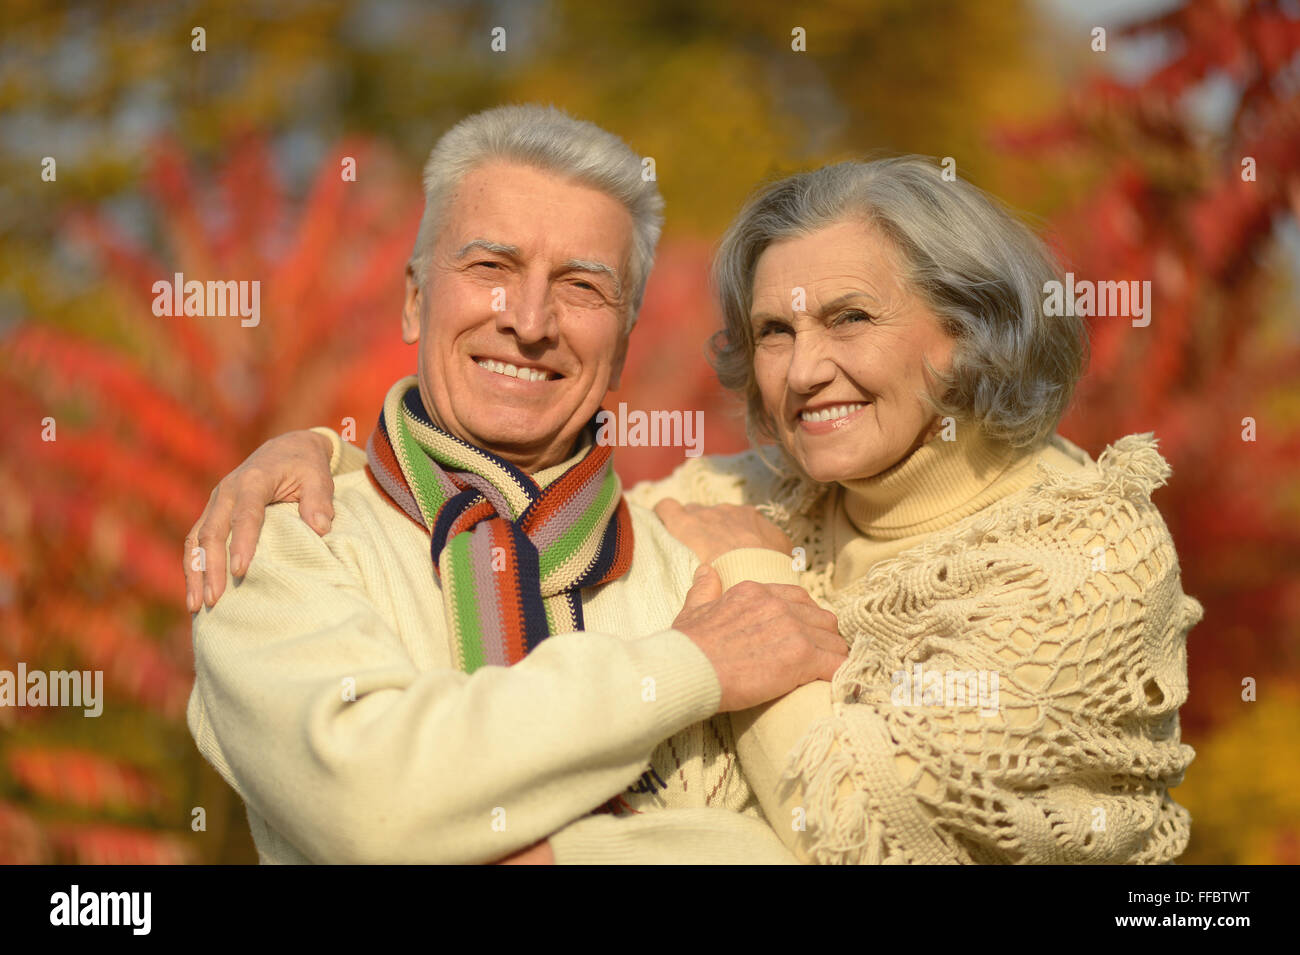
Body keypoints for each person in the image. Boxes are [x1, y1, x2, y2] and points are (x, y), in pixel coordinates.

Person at [193, 154, 1201, 864]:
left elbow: (877, 840)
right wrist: (325, 452)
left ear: (968, 334)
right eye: (774, 330)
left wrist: (758, 582)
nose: (805, 369)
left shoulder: (1083, 554)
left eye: (850, 317)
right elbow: (506, 510)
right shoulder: (745, 494)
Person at [183, 104, 846, 865]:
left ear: (625, 342)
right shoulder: (280, 536)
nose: (531, 321)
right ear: (413, 299)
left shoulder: (706, 559)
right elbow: (374, 810)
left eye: (583, 287)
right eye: (491, 267)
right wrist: (687, 668)